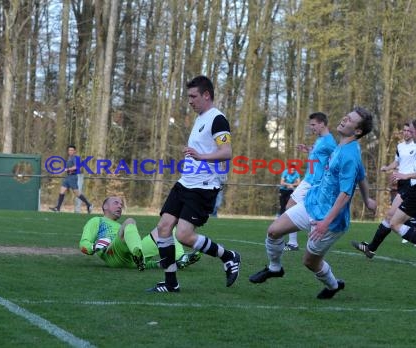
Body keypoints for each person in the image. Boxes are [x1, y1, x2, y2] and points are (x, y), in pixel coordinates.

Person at [249, 107, 376, 299]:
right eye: (346, 115)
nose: (344, 119)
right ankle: (275, 268)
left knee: (310, 262)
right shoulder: (343, 146)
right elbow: (361, 174)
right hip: (312, 204)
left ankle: (333, 286)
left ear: (358, 131)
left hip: (330, 221)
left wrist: (325, 223)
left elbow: (345, 193)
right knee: (274, 230)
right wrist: (367, 199)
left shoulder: (349, 154)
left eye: (349, 120)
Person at [146, 75, 241, 293]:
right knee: (163, 227)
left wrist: (200, 156)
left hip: (203, 186)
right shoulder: (200, 119)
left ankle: (229, 256)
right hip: (185, 183)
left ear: (206, 95)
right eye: (188, 96)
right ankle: (171, 283)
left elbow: (227, 152)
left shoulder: (218, 119)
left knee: (184, 235)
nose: (189, 100)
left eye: (193, 96)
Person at [352, 119, 416, 266]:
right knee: (390, 216)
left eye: (412, 131)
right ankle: (371, 248)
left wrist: (408, 176)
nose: (409, 133)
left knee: (395, 223)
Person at [79, 196, 201, 270]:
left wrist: (157, 264)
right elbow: (83, 243)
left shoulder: (121, 226)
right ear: (105, 206)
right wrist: (93, 247)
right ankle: (137, 252)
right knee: (130, 221)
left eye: (121, 204)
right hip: (112, 253)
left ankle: (180, 258)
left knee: (166, 227)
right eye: (116, 203)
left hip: (131, 259)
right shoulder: (97, 220)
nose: (120, 206)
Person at [284, 112, 337, 251]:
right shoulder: (320, 139)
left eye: (313, 125)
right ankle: (304, 238)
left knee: (290, 207)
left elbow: (336, 159)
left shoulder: (329, 142)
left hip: (313, 182)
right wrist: (307, 149)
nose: (311, 127)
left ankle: (295, 242)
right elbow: (318, 153)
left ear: (322, 124)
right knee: (302, 211)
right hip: (309, 179)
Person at [50, 145, 93, 213]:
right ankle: (57, 208)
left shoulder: (75, 158)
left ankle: (89, 205)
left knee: (77, 193)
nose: (70, 151)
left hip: (73, 177)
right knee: (62, 191)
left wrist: (68, 169)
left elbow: (76, 166)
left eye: (72, 150)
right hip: (68, 177)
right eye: (69, 150)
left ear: (75, 151)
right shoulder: (69, 158)